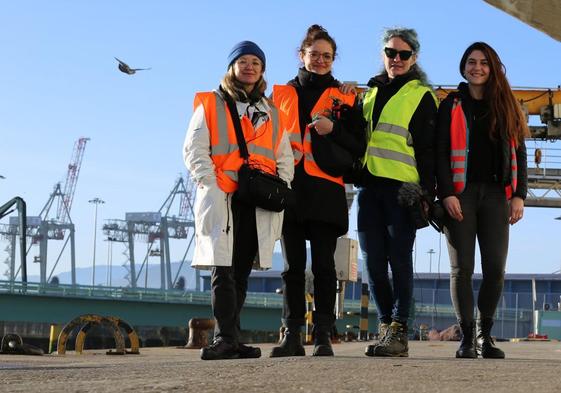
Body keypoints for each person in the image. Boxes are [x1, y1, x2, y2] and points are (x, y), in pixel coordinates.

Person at [183, 41, 294, 360]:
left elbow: (283, 155)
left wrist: (280, 184)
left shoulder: (271, 111)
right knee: (224, 270)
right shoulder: (213, 103)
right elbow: (194, 149)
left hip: (256, 200)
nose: (249, 67)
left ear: (262, 70)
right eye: (243, 61)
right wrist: (211, 182)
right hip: (223, 197)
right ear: (232, 67)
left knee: (242, 270)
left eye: (256, 63)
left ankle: (232, 338)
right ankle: (225, 337)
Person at [270, 25, 366, 357]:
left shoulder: (346, 96)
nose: (321, 60)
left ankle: (323, 334)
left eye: (327, 56)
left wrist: (334, 128)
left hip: (326, 190)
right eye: (315, 55)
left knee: (325, 266)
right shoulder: (278, 95)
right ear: (302, 55)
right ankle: (291, 334)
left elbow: (358, 145)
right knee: (292, 268)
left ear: (333, 59)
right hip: (289, 189)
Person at [436, 42, 528, 359]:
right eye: (472, 62)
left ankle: (484, 337)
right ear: (463, 67)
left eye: (484, 63)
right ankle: (465, 339)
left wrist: (519, 195)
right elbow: (440, 153)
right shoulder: (451, 105)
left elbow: (520, 152)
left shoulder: (507, 105)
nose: (477, 67)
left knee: (495, 270)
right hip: (460, 195)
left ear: (493, 68)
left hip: (496, 196)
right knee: (461, 269)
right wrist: (446, 192)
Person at [358, 27, 438, 358]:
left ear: (414, 58)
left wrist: (426, 194)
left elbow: (430, 150)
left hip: (402, 190)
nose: (397, 59)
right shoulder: (370, 93)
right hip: (369, 188)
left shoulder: (422, 95)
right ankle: (385, 327)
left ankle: (400, 330)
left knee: (399, 261)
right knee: (373, 263)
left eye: (404, 54)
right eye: (391, 53)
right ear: (383, 55)